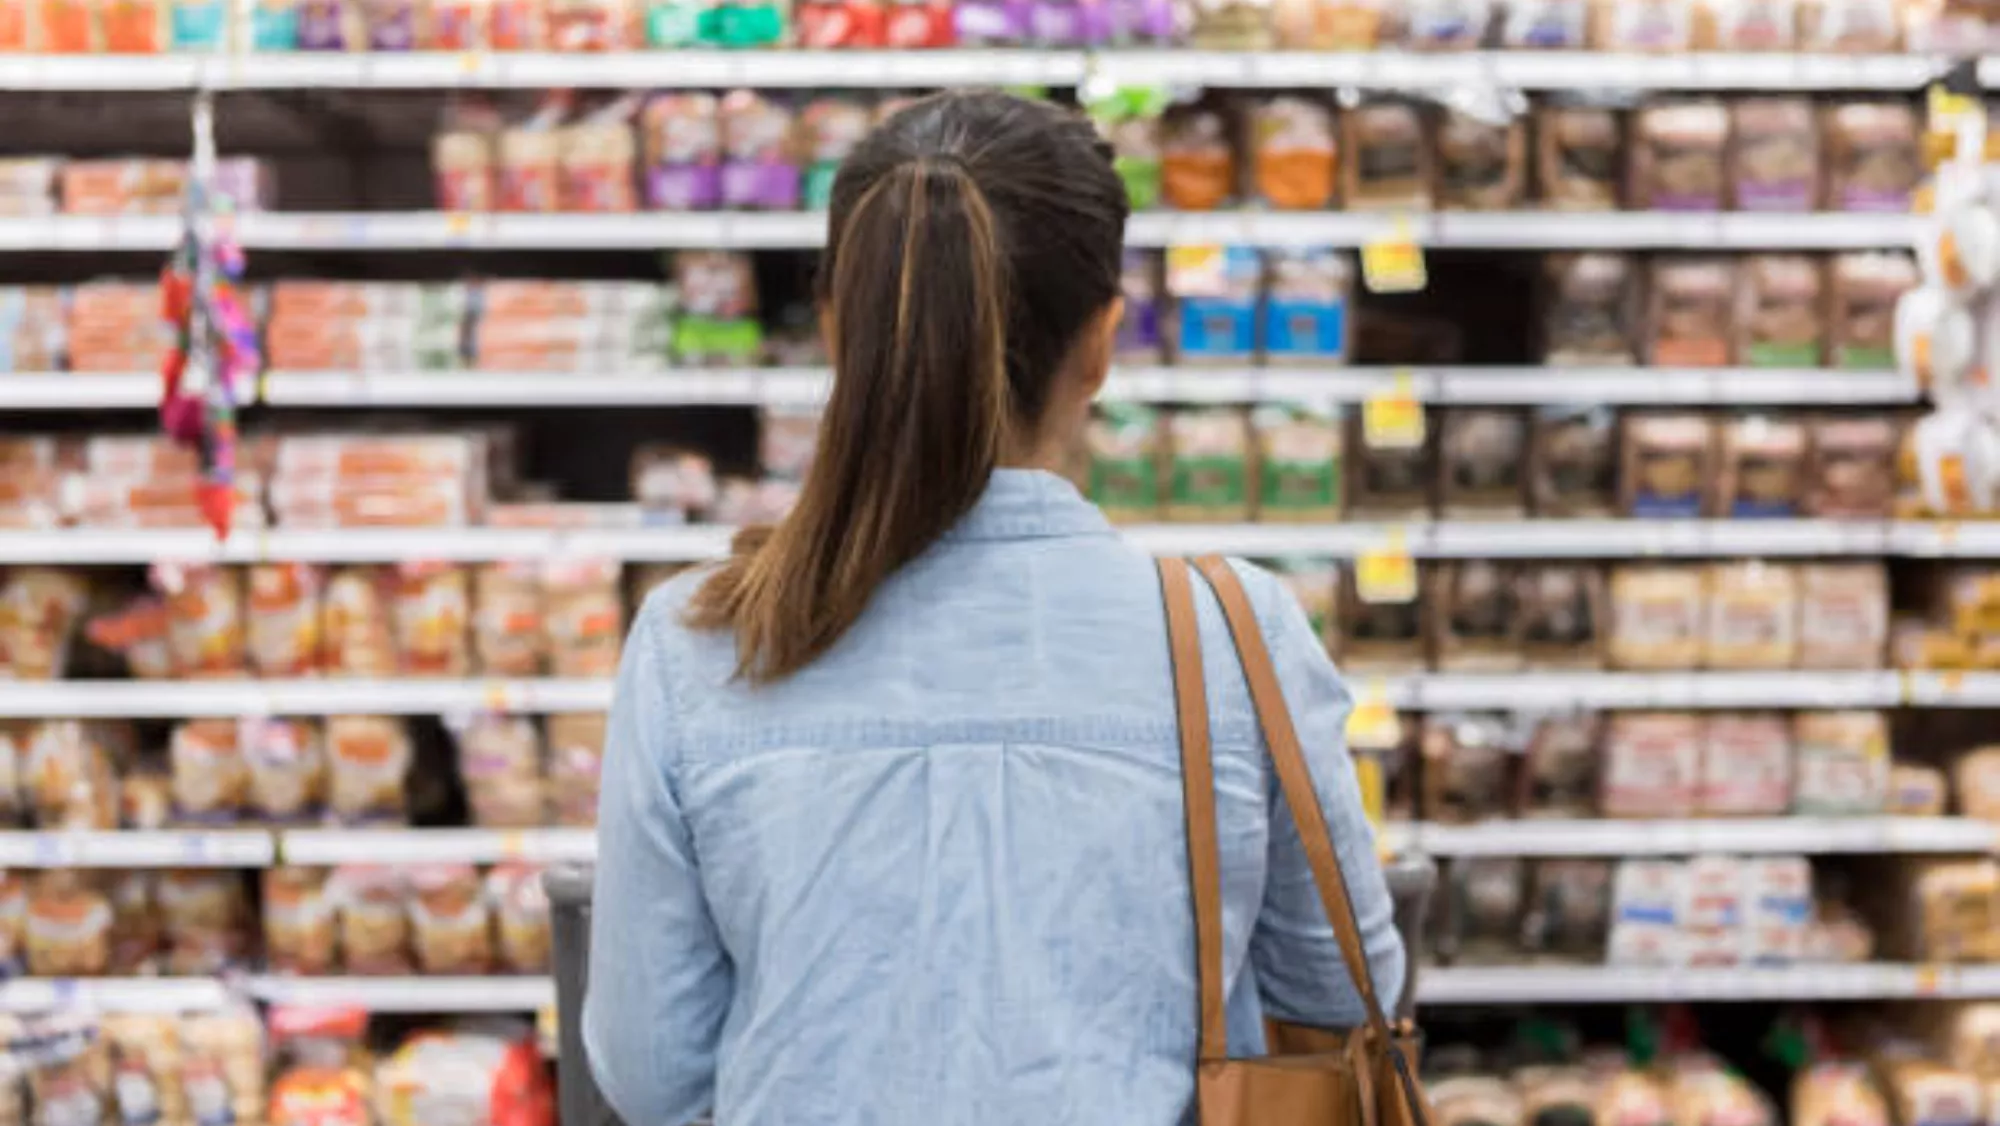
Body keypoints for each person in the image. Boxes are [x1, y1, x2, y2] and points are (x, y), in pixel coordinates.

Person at [584, 89, 1404, 1126]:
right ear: (1102, 341)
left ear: (840, 330)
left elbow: (650, 1069)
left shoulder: (698, 642)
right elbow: (1340, 990)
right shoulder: (1233, 631)